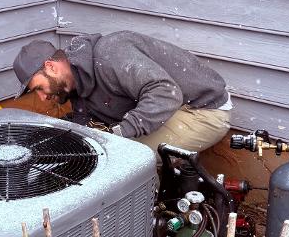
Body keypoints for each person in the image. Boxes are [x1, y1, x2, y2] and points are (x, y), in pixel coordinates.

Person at [12, 31, 231, 154]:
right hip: (171, 107)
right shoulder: (76, 81)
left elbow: (167, 93)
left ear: (51, 67)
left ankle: (147, 217)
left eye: (39, 88)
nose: (42, 97)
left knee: (131, 157)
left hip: (202, 110)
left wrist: (121, 132)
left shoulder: (110, 56)